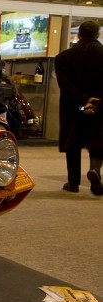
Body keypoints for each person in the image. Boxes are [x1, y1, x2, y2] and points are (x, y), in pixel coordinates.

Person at [54, 20, 103, 195]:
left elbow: (65, 85)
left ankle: (73, 183)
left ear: (79, 34)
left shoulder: (63, 57)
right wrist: (95, 101)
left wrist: (84, 100)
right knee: (98, 140)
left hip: (76, 108)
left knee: (73, 143)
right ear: (97, 35)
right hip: (98, 109)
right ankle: (95, 170)